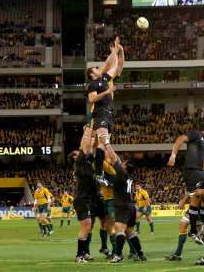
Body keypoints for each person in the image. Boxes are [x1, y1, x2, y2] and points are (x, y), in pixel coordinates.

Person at [104, 138, 147, 263]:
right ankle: (140, 253)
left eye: (123, 164)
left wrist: (107, 144)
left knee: (120, 231)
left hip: (122, 205)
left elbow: (113, 159)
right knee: (131, 232)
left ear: (125, 167)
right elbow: (117, 159)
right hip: (130, 206)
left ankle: (118, 255)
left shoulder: (122, 173)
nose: (121, 164)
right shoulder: (129, 176)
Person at [165, 162, 204, 262]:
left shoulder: (201, 165)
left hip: (202, 203)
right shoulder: (198, 164)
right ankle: (178, 254)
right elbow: (193, 189)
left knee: (201, 232)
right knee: (183, 225)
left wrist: (184, 201)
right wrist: (183, 201)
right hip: (196, 203)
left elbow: (201, 190)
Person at [67, 121, 98, 263]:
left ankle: (85, 253)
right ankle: (79, 255)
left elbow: (93, 148)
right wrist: (90, 129)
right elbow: (84, 146)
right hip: (81, 199)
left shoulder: (85, 163)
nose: (80, 153)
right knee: (85, 226)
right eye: (77, 153)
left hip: (89, 198)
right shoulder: (79, 163)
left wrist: (96, 135)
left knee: (89, 225)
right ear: (75, 157)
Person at [86, 36, 124, 150]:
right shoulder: (99, 77)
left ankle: (94, 161)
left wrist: (120, 52)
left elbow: (117, 66)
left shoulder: (106, 78)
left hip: (106, 111)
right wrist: (115, 50)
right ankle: (87, 161)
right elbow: (109, 64)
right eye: (96, 69)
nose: (99, 68)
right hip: (97, 111)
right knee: (93, 141)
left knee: (101, 143)